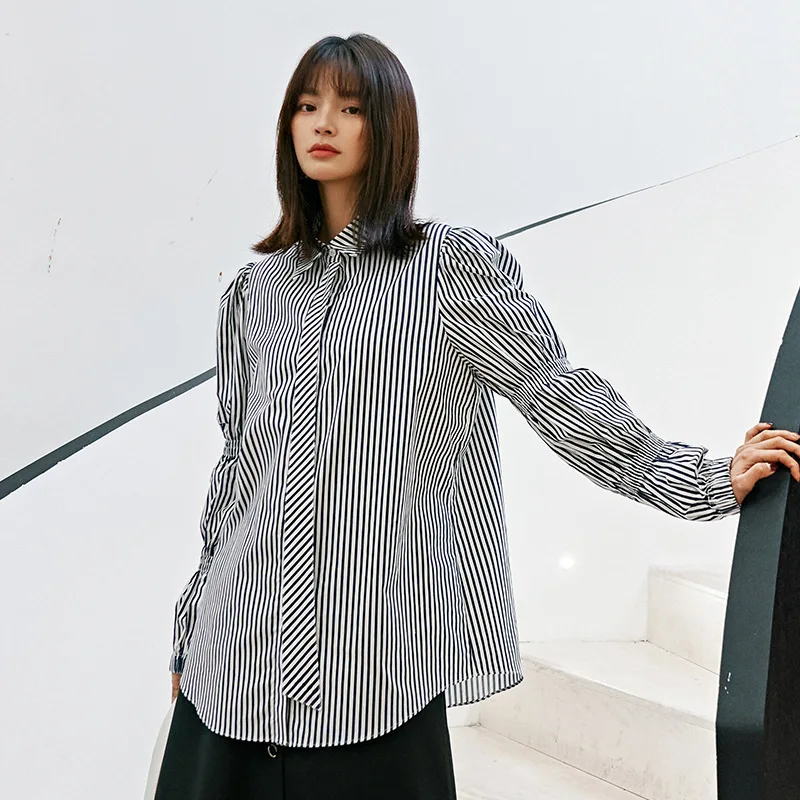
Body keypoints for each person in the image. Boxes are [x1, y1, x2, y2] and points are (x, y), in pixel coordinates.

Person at [153, 32, 800, 800]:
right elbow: (238, 471)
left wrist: (700, 478)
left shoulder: (448, 269)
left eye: (350, 107)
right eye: (306, 104)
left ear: (389, 126)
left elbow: (553, 390)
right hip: (230, 670)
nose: (323, 122)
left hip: (369, 681)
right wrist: (190, 629)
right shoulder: (254, 295)